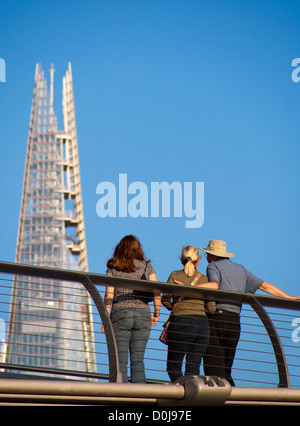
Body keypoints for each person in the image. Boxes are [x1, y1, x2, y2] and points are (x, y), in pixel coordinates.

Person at [200, 239, 300, 386]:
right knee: (226, 370)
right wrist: (287, 297)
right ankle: (234, 399)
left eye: (207, 255)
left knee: (213, 370)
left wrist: (186, 288)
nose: (207, 258)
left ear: (212, 255)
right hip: (235, 322)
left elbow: (214, 285)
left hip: (217, 319)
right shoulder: (241, 269)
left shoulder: (213, 266)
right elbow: (264, 286)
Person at [103, 235, 161, 383]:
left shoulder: (113, 267)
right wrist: (156, 313)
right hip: (143, 314)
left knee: (120, 362)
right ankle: (140, 397)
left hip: (120, 313)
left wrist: (105, 319)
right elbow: (156, 291)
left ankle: (119, 397)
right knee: (138, 361)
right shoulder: (147, 267)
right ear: (138, 248)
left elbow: (109, 294)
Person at [162, 245, 218, 382]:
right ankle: (191, 393)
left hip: (181, 323)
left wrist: (175, 308)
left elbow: (165, 299)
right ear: (198, 260)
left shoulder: (175, 275)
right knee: (193, 369)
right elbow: (211, 308)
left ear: (181, 259)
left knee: (173, 365)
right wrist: (199, 309)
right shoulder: (205, 280)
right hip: (202, 325)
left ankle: (181, 390)